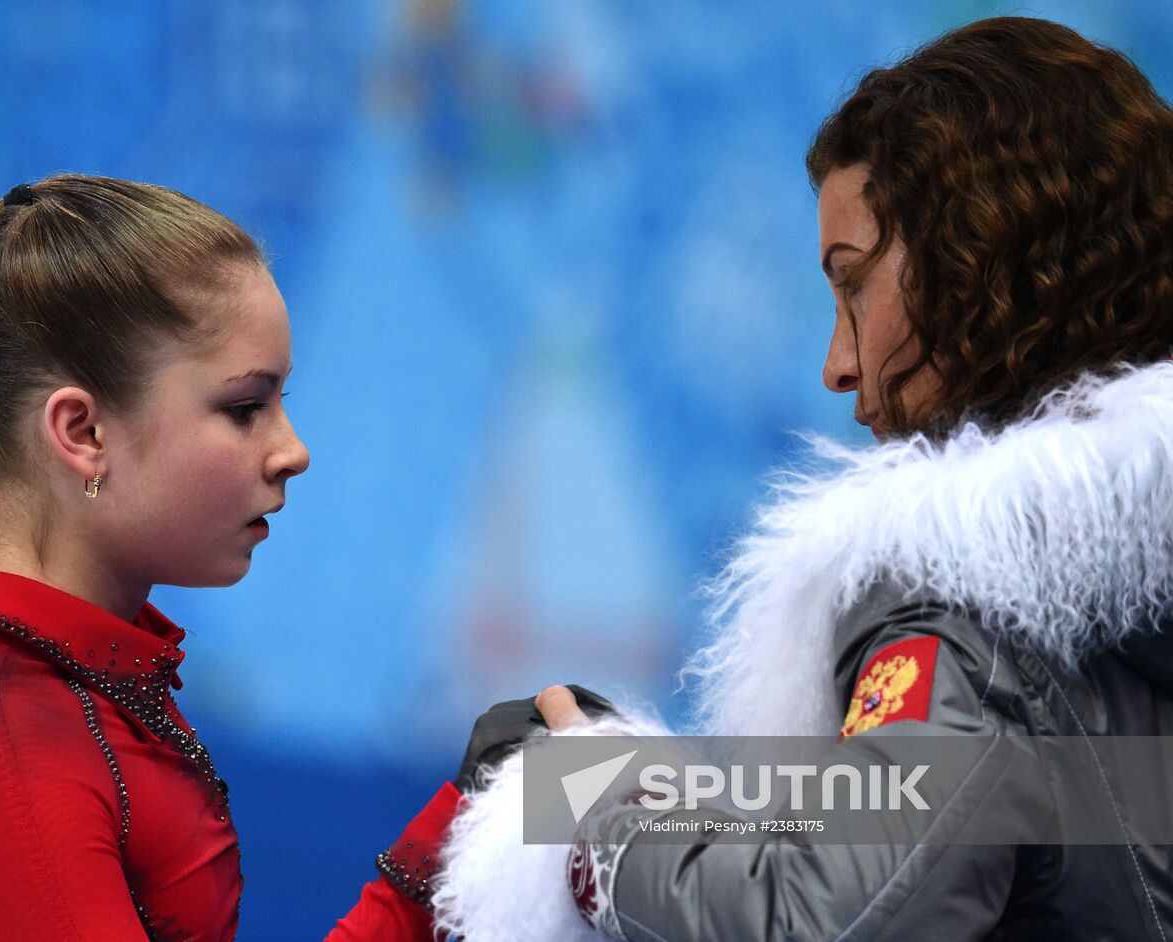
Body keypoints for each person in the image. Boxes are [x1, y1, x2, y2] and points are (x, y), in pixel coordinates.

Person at [430, 16, 1173, 941]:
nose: (836, 362)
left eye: (852, 280)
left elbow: (827, 915)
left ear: (982, 256)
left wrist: (582, 792)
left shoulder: (970, 617)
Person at [0, 175, 477, 940]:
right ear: (82, 433)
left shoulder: (67, 683)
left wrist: (506, 800)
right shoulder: (4, 739)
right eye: (246, 408)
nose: (293, 451)